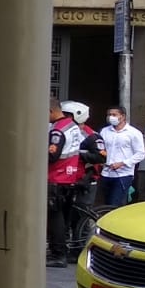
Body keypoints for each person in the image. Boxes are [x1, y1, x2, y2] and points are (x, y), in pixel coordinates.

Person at [47, 97, 86, 266]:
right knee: (62, 217)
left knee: (55, 217)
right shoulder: (73, 126)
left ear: (50, 111)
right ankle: (61, 251)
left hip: (56, 177)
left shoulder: (58, 130)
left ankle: (58, 255)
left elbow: (52, 155)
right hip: (69, 177)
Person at [98, 106, 143, 210]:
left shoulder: (133, 133)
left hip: (123, 174)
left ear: (122, 116)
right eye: (109, 115)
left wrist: (122, 163)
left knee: (115, 204)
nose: (111, 117)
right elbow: (100, 148)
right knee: (104, 203)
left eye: (114, 115)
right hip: (106, 172)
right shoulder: (104, 131)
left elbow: (140, 154)